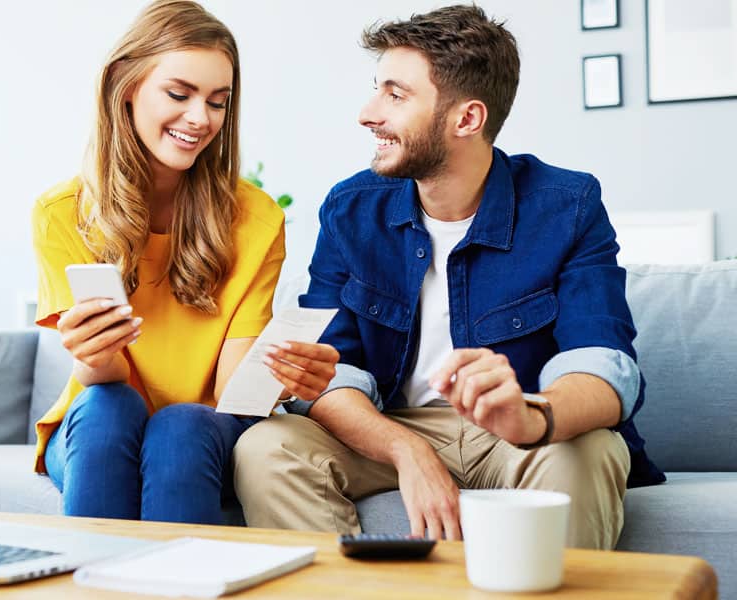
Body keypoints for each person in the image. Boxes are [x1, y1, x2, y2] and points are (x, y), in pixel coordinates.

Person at [233, 4, 664, 550]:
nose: (368, 113)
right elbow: (333, 373)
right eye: (377, 89)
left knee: (594, 449)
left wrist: (532, 417)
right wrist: (406, 450)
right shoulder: (350, 210)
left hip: (516, 430)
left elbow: (604, 365)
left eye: (396, 94)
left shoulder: (568, 205)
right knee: (267, 447)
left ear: (467, 119)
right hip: (392, 424)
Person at [30, 0, 338, 525]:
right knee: (110, 410)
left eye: (218, 102)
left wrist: (285, 377)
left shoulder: (256, 219)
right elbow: (102, 379)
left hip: (202, 428)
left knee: (180, 427)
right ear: (126, 86)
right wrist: (92, 350)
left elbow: (229, 392)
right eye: (179, 94)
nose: (200, 119)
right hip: (101, 414)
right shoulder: (63, 214)